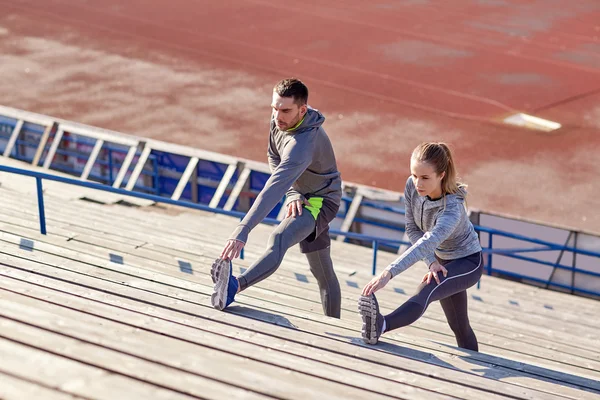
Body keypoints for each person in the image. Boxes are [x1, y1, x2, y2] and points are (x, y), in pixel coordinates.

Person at [211, 78, 343, 318]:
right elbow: (273, 156)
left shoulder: (302, 144)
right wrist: (293, 191)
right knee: (322, 272)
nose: (277, 115)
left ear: (302, 110)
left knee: (280, 236)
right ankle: (337, 326)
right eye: (274, 108)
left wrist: (243, 230)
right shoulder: (280, 121)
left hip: (321, 200)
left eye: (285, 110)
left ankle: (234, 286)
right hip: (302, 193)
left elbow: (274, 187)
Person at [358, 142, 483, 350]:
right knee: (460, 327)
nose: (417, 183)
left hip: (467, 261)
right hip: (441, 259)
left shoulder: (451, 209)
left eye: (425, 178)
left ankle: (381, 325)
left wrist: (388, 273)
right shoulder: (412, 186)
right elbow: (412, 228)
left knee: (427, 289)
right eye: (414, 175)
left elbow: (428, 241)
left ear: (441, 175)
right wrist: (432, 261)